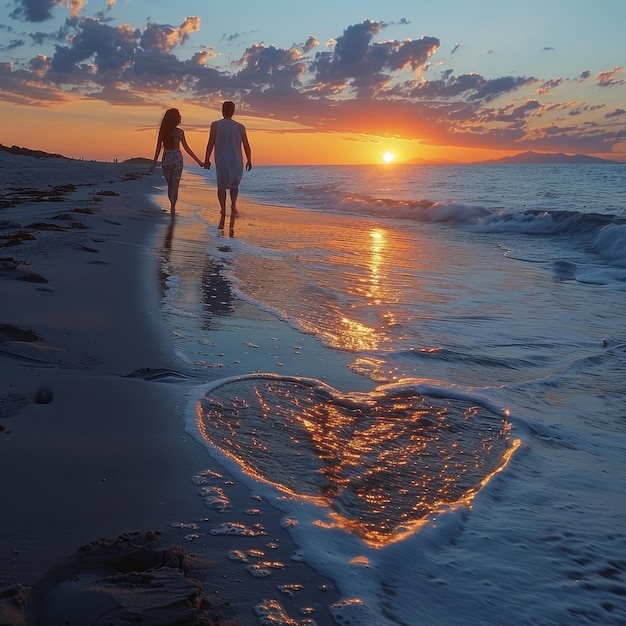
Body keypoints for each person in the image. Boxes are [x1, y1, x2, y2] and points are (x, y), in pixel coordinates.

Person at [204, 101, 252, 224]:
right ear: (233, 111)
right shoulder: (240, 126)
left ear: (222, 110)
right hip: (236, 159)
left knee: (221, 186)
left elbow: (211, 142)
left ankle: (223, 209)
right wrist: (249, 160)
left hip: (221, 159)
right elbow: (246, 144)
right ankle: (233, 206)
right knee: (234, 185)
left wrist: (206, 159)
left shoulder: (215, 125)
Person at [150, 108, 203, 213]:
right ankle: (173, 207)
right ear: (174, 118)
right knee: (175, 184)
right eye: (179, 116)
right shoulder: (179, 132)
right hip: (177, 159)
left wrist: (154, 164)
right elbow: (187, 148)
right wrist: (199, 162)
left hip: (166, 159)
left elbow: (158, 148)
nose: (180, 117)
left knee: (170, 185)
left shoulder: (163, 132)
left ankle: (172, 205)